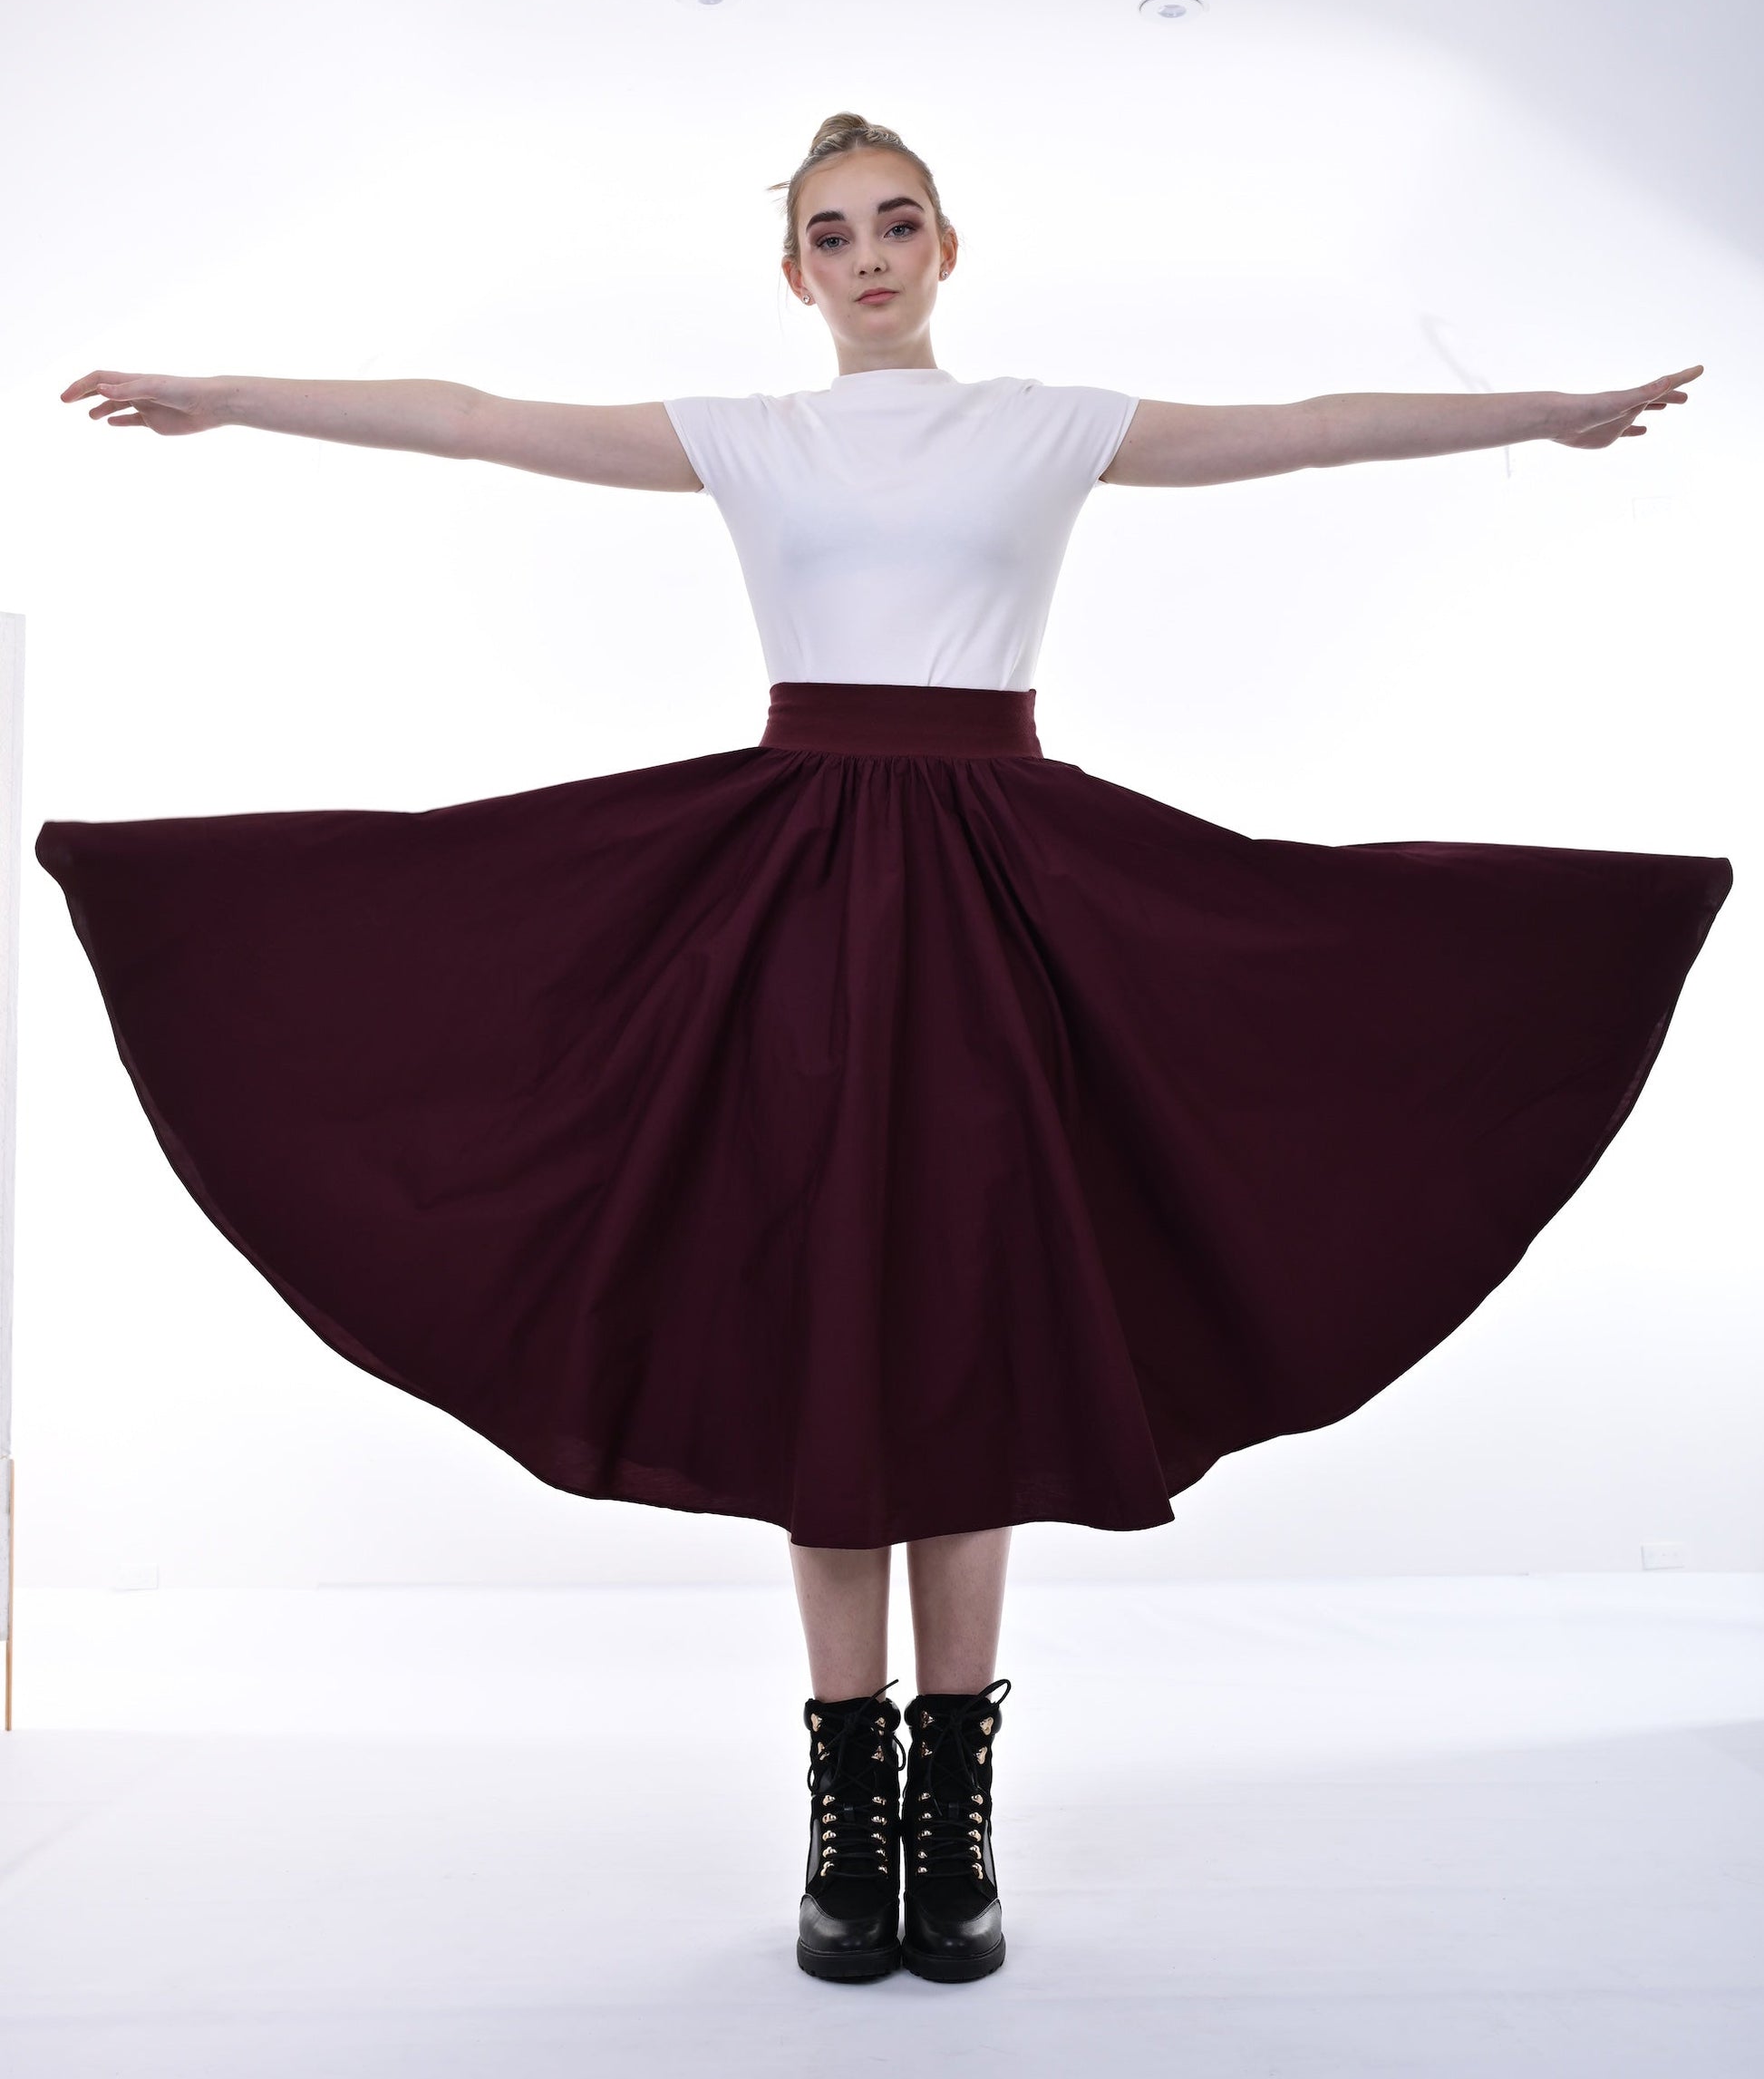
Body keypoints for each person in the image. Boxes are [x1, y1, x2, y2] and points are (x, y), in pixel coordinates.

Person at [39, 112, 1730, 1990]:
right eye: (830, 232)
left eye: (894, 223)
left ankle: (955, 1815)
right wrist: (223, 394)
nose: (864, 254)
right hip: (796, 902)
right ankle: (850, 1817)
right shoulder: (752, 434)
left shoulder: (1044, 420)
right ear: (794, 272)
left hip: (1004, 890)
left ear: (944, 246)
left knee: (969, 1313)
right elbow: (467, 416)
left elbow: (1312, 428)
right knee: (826, 1315)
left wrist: (1546, 413)